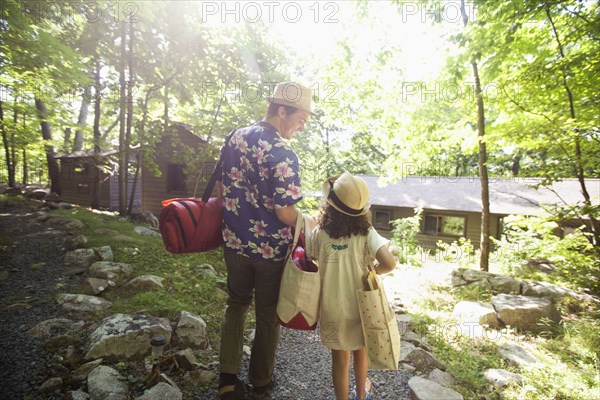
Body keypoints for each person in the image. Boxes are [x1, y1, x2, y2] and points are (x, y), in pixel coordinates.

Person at [216, 82, 314, 400]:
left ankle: (228, 381)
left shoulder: (235, 137)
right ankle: (261, 381)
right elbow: (286, 212)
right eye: (300, 119)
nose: (301, 127)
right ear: (282, 111)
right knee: (267, 316)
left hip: (234, 242)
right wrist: (310, 222)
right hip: (270, 252)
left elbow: (222, 189)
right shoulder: (283, 153)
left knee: (236, 305)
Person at [309, 172, 396, 400]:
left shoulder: (320, 233)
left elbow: (311, 260)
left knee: (339, 360)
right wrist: (371, 272)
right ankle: (361, 395)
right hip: (361, 306)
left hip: (331, 306)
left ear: (330, 206)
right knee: (361, 352)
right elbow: (389, 263)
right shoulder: (367, 233)